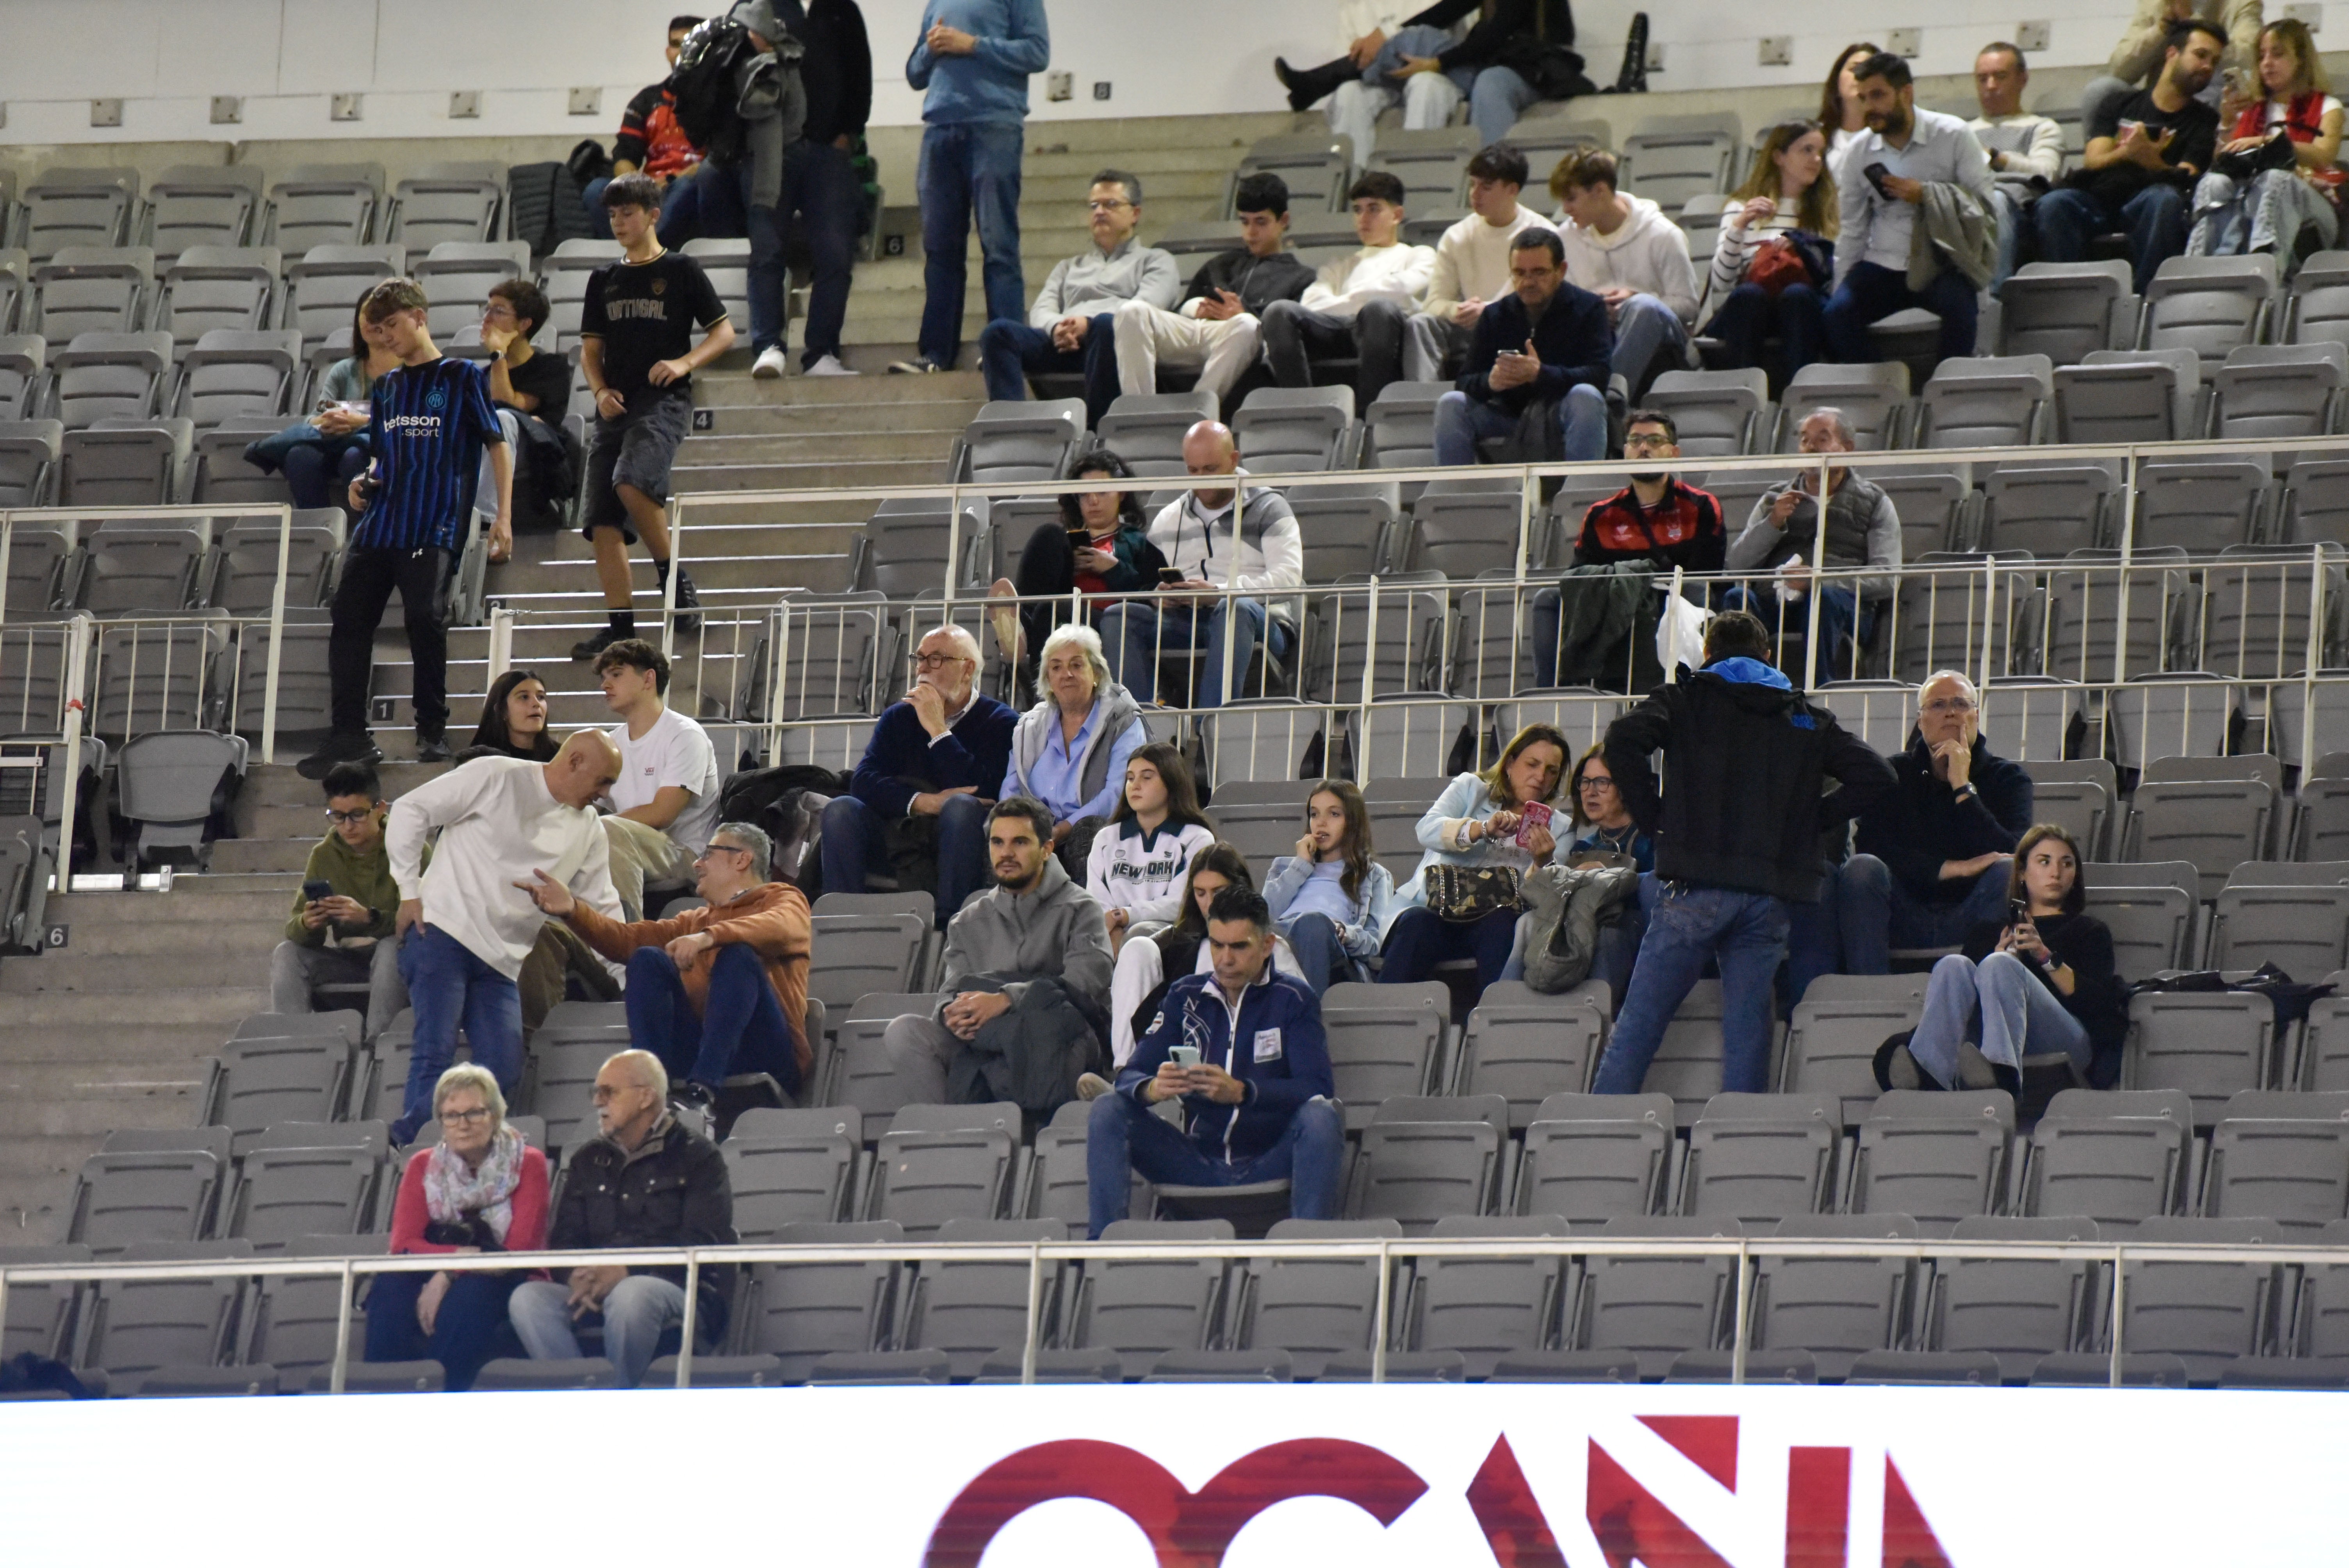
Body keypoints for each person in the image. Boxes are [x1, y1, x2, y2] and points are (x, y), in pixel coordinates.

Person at [1589, 611, 1896, 1095]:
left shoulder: (1684, 698)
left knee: (1640, 1023)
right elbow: (1879, 775)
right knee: (1749, 1032)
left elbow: (1622, 739)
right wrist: (1806, 822)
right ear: (1767, 655)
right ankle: (1741, 1134)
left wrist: (1655, 818)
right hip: (1767, 896)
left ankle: (1598, 1128)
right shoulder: (1804, 715)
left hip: (1693, 887)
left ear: (1707, 652)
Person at [298, 280, 511, 778]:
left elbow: (496, 443)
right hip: (381, 522)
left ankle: (431, 728)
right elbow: (383, 455)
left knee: (423, 618)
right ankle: (349, 732)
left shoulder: (460, 375)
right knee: (349, 618)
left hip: (433, 521)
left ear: (419, 317)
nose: (385, 336)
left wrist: (503, 514)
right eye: (378, 329)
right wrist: (363, 480)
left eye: (392, 324)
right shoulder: (388, 386)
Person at [384, 732, 626, 1145]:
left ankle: (409, 1141)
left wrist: (628, 977)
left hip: (501, 962)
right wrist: (408, 890)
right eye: (603, 781)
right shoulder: (496, 775)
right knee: (435, 1051)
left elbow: (602, 908)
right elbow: (410, 809)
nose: (605, 794)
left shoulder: (589, 828)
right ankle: (416, 1151)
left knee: (504, 1065)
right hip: (440, 933)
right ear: (574, 761)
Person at [1085, 885, 1342, 1238]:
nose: (1225, 959)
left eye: (1239, 947)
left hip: (1270, 1161)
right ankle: (1101, 1251)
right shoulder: (1185, 996)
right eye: (1217, 945)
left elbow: (1317, 1086)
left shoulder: (1294, 999)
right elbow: (1131, 1074)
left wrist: (1242, 1092)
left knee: (1322, 1116)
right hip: (1196, 1164)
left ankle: (1309, 1251)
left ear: (1267, 946)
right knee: (1108, 1109)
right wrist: (1152, 1089)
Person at [521, 821, 811, 1107]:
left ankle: (702, 1092)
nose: (697, 864)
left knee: (738, 956)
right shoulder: (693, 922)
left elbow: (779, 925)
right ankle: (650, 1091)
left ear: (742, 860)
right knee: (647, 958)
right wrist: (573, 910)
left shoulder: (784, 899)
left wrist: (709, 937)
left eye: (708, 854)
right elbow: (625, 940)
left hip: (766, 1054)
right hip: (700, 1050)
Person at [570, 174, 732, 663]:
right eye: (613, 214)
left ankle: (674, 581)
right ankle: (620, 627)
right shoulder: (603, 278)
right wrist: (599, 391)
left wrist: (684, 362)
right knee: (601, 519)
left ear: (653, 215)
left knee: (632, 481)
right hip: (615, 403)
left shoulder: (681, 269)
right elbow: (591, 351)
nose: (619, 222)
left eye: (628, 213)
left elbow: (723, 333)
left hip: (663, 400)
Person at [506, 1049, 735, 1389]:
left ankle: (619, 1397)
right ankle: (583, 1394)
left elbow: (703, 1242)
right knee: (528, 1300)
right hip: (598, 1288)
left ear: (646, 1097)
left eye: (609, 1092)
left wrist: (628, 1270)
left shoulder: (699, 1156)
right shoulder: (587, 1159)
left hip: (678, 1289)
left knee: (632, 1294)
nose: (597, 1102)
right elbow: (565, 1238)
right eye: (596, 1092)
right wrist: (575, 1277)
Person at [1806, 671, 2035, 990]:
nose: (1951, 713)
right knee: (1862, 868)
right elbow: (1872, 845)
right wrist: (1950, 868)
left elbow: (2013, 852)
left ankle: (1986, 991)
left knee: (2007, 870)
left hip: (1974, 915)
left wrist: (1962, 788)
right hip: (1900, 914)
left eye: (1960, 704)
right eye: (1938, 705)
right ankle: (1869, 995)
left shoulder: (2009, 779)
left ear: (1976, 715)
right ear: (1921, 720)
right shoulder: (1893, 774)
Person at [881, 797, 1114, 1105]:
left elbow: (1083, 986)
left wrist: (1006, 1000)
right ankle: (949, 1128)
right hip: (986, 1041)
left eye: (1020, 842)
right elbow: (949, 993)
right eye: (997, 842)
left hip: (1058, 1039)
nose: (1006, 853)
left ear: (1047, 849)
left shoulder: (1083, 908)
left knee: (1052, 1030)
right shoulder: (968, 920)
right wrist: (955, 1015)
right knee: (905, 1032)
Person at [1880, 825, 2127, 1092]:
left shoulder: (2089, 931)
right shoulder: (1987, 933)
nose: (2056, 872)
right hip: (1984, 1039)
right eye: (2044, 862)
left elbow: (2102, 1009)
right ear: (2022, 872)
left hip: (2068, 1038)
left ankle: (2002, 1073)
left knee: (1999, 965)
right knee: (1954, 964)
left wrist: (2045, 957)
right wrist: (1992, 971)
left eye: (2067, 864)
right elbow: (1960, 1005)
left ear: (2076, 875)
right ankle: (1931, 1074)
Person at [365, 1063, 549, 1392]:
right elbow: (404, 1244)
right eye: (451, 1116)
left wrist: (450, 1273)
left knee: (470, 1295)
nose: (463, 1125)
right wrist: (459, 1257)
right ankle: (383, 1395)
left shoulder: (528, 1162)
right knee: (389, 1288)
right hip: (443, 1261)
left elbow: (517, 1251)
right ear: (441, 1122)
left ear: (495, 1115)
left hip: (505, 1272)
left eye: (474, 1113)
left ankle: (440, 1395)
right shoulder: (423, 1164)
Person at [820, 624, 1016, 929]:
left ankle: (950, 929)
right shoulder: (898, 717)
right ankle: (840, 925)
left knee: (961, 808)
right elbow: (864, 781)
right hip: (901, 836)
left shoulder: (1001, 721)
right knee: (840, 809)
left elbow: (985, 790)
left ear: (967, 670)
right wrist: (925, 802)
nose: (922, 668)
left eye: (936, 659)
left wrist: (938, 730)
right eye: (919, 658)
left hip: (962, 840)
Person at [1099, 421, 1304, 708]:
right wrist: (1159, 595)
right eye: (1193, 471)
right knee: (1119, 616)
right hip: (1186, 621)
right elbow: (1149, 581)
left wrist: (1219, 593)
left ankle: (1211, 725)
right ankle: (1138, 725)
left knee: (1234, 609)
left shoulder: (1270, 507)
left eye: (1211, 469)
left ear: (1234, 460)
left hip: (1258, 622)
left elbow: (1289, 579)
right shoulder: (1169, 519)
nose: (1202, 480)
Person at [895, 0, 1051, 377]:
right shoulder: (937, 3)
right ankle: (935, 354)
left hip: (994, 126)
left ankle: (1006, 350)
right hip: (939, 128)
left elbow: (1038, 53)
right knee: (939, 249)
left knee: (999, 244)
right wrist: (931, 49)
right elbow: (915, 73)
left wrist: (974, 45)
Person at [1526, 408, 1724, 688]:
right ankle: (1551, 694)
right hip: (1615, 598)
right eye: (1635, 441)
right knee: (1547, 598)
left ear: (1674, 453)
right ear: (1625, 452)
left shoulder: (1701, 506)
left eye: (1655, 441)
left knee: (1696, 590)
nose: (1643, 448)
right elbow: (1580, 577)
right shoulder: (1601, 515)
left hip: (1672, 598)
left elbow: (1707, 574)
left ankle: (1689, 688)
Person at [1823, 52, 1997, 366]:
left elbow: (1985, 208)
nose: (1869, 107)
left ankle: (1944, 388)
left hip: (1941, 262)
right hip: (1884, 263)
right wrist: (1841, 286)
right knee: (1837, 315)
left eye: (1878, 95)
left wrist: (1927, 195)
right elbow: (1852, 229)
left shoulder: (1953, 134)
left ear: (1906, 93)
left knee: (1962, 309)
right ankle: (1886, 387)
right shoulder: (1859, 151)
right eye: (1863, 98)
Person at [979, 171, 1180, 427]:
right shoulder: (1069, 266)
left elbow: (1144, 308)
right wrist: (1057, 328)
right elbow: (1042, 308)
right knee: (998, 333)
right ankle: (1012, 428)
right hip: (1067, 343)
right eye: (1094, 206)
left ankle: (1097, 432)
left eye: (1111, 204)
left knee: (1106, 325)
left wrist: (1088, 323)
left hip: (1114, 344)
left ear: (1135, 214)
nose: (1100, 212)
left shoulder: (1156, 261)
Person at [2034, 21, 2224, 292]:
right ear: (2172, 53)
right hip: (2100, 197)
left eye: (2214, 62)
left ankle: (2149, 298)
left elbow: (2188, 177)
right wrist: (2128, 152)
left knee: (2165, 201)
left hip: (2149, 201)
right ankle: (2068, 296)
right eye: (2201, 55)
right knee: (2054, 204)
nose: (2207, 67)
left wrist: (2152, 162)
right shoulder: (2118, 103)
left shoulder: (2205, 120)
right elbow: (2093, 160)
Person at [1379, 722, 1568, 989]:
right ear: (1510, 764)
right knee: (1417, 923)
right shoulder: (1471, 788)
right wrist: (1482, 829)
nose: (1540, 777)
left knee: (1503, 922)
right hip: (1435, 910)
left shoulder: (1560, 828)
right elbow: (1427, 829)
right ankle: (1384, 1009)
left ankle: (1494, 1012)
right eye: (1532, 764)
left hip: (1493, 925)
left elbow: (1551, 898)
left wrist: (1542, 862)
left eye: (1552, 771)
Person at [1723, 407, 1902, 678]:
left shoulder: (1874, 501)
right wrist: (1773, 523)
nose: (1810, 447)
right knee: (1737, 599)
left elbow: (1887, 577)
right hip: (1777, 602)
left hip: (1843, 607)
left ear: (1847, 448)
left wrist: (1818, 581)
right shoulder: (1775, 499)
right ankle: (1740, 687)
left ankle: (1819, 690)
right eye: (1805, 440)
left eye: (1822, 439)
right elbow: (1737, 565)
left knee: (1823, 598)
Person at [1112, 173, 1313, 412]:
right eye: (1245, 222)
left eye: (1261, 222)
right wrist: (1196, 308)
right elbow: (1183, 309)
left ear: (1284, 221)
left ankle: (1196, 413)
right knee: (1131, 311)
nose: (1251, 232)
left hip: (1241, 339)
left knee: (1247, 325)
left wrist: (1243, 313)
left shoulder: (1300, 278)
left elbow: (1287, 339)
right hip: (1199, 331)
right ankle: (1140, 414)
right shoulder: (1221, 264)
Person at [1099, 844, 1308, 1067]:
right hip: (1178, 1056)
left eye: (1218, 892)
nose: (1209, 904)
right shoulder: (1176, 946)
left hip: (1250, 1055)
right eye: (1201, 894)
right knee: (1137, 946)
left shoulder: (1270, 947)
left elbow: (1302, 1010)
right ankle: (1126, 1070)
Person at [985, 449, 1166, 693]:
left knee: (1054, 610)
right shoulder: (1062, 543)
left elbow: (1153, 598)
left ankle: (1037, 679)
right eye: (1084, 494)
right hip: (1057, 613)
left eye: (1102, 492)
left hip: (1107, 623)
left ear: (1121, 493)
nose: (1093, 501)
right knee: (1048, 535)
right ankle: (1021, 628)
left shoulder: (1139, 544)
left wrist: (1114, 569)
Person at [1431, 228, 1611, 467]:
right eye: (1519, 273)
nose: (1528, 282)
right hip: (1507, 414)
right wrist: (1491, 382)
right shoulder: (1495, 315)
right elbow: (1465, 381)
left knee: (1586, 396)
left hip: (1564, 410)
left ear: (1561, 271)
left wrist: (1540, 374)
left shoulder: (1589, 308)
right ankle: (1454, 489)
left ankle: (1582, 487)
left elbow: (1599, 376)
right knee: (1452, 403)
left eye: (1539, 272)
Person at [1259, 169, 1434, 408]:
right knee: (1278, 311)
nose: (1363, 218)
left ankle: (1369, 413)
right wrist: (1363, 299)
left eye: (1373, 209)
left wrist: (1346, 301)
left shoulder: (1419, 255)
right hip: (1337, 329)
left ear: (1397, 215)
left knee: (1379, 310)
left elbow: (1402, 291)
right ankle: (1301, 407)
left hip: (1384, 330)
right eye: (1358, 210)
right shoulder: (1340, 265)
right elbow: (1312, 303)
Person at [269, 760, 408, 1041]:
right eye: (338, 816)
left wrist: (369, 918)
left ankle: (379, 1046)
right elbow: (295, 928)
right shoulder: (324, 855)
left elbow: (423, 922)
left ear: (380, 809)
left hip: (398, 961)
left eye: (357, 815)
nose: (348, 826)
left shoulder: (409, 848)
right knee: (287, 953)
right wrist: (309, 923)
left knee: (391, 949)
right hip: (347, 960)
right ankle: (294, 1046)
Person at [2188, 18, 2342, 268]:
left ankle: (2263, 267)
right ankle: (2199, 268)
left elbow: (2324, 155)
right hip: (2248, 201)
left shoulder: (2328, 107)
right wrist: (2227, 122)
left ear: (2301, 59)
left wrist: (2271, 142)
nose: (2267, 63)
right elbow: (2221, 163)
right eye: (2262, 56)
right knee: (2214, 183)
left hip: (2314, 208)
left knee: (2275, 179)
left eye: (2277, 54)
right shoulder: (2250, 109)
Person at [1550, 148, 1699, 398]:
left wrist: (1634, 300)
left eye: (1571, 199)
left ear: (1600, 191)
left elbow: (1688, 306)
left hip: (1663, 342)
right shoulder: (1565, 239)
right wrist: (1595, 309)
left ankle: (1607, 397)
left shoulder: (1663, 234)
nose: (1565, 209)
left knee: (1644, 307)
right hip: (1597, 336)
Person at [1004, 624, 1150, 879]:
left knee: (1088, 831)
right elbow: (1012, 789)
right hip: (1038, 833)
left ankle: (1089, 906)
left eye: (1077, 665)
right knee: (1002, 836)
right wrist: (1021, 828)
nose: (1067, 674)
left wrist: (1064, 828)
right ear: (1048, 679)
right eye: (1056, 667)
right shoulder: (1029, 727)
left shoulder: (1122, 721)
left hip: (1097, 830)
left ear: (1097, 673)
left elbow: (1118, 793)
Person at [1408, 143, 1559, 380]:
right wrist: (1457, 310)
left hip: (1522, 325)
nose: (1475, 194)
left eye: (1486, 187)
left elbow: (1546, 300)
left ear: (1512, 190)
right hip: (1470, 328)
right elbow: (1433, 303)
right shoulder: (1457, 236)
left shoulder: (1542, 234)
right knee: (1420, 323)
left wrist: (1490, 311)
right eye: (1473, 184)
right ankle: (1422, 396)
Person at [1699, 119, 1837, 378]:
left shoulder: (1826, 212)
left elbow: (1834, 278)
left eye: (1821, 152)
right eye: (1807, 150)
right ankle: (1743, 387)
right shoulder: (1741, 206)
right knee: (1748, 294)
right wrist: (1739, 226)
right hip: (1752, 308)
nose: (1816, 160)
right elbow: (1722, 282)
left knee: (1798, 295)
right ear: (1779, 157)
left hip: (1802, 308)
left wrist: (1804, 248)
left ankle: (1800, 388)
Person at [593, 638, 719, 921]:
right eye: (604, 678)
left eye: (616, 675)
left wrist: (591, 826)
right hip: (631, 843)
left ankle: (626, 935)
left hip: (688, 856)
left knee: (609, 830)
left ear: (649, 679)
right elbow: (585, 802)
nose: (605, 685)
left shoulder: (685, 735)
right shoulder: (611, 742)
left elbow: (662, 814)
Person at [243, 292, 395, 510]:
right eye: (367, 315)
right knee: (300, 455)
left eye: (379, 315)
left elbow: (411, 421)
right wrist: (328, 421)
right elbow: (314, 418)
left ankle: (370, 525)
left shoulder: (411, 371)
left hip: (382, 449)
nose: (372, 322)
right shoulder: (344, 370)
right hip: (336, 442)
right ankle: (318, 526)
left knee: (354, 456)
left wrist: (361, 422)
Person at [1364, 0, 1576, 148]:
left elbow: (1497, 33)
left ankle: (1492, 179)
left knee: (1491, 83)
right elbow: (1444, 12)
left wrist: (1438, 63)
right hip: (1501, 63)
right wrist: (1389, 33)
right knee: (1418, 40)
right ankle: (1369, 66)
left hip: (1540, 71)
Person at [1264, 778, 1398, 996]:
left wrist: (1348, 934)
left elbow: (1374, 944)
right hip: (1282, 940)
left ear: (1353, 822)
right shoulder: (1284, 867)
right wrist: (1301, 865)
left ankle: (1305, 1013)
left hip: (1333, 948)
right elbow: (1262, 916)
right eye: (1314, 814)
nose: (1321, 823)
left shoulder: (1375, 875)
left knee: (1313, 923)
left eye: (1334, 814)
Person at [1085, 743, 1216, 953]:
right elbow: (1096, 901)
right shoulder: (1106, 838)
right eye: (1130, 778)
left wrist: (1125, 916)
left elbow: (1181, 904)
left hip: (1171, 935)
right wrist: (1113, 926)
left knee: (1139, 936)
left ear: (1172, 783)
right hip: (1110, 930)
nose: (1135, 786)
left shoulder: (1197, 838)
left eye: (1146, 777)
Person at [584, 15, 706, 241]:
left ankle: (645, 247)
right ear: (668, 52)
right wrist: (639, 188)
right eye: (676, 44)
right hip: (650, 192)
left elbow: (716, 162)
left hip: (690, 189)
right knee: (597, 190)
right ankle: (638, 246)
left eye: (690, 44)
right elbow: (624, 156)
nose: (681, 52)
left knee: (687, 187)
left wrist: (669, 181)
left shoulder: (721, 100)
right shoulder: (647, 100)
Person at [1968, 43, 2066, 293]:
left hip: (2018, 210)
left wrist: (1998, 159)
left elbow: (2047, 173)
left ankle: (1994, 297)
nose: (1991, 86)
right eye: (1983, 79)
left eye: (2000, 77)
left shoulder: (2042, 128)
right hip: (1967, 205)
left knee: (1996, 200)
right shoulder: (1962, 132)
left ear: (2022, 79)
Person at [1561, 742, 1652, 1003]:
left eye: (1603, 783)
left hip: (1634, 931)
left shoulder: (1652, 838)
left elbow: (1658, 892)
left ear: (1625, 787)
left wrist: (1607, 876)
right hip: (1585, 929)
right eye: (1585, 782)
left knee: (1610, 935)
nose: (1591, 792)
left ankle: (1594, 1014)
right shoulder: (1583, 849)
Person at [480, 279, 575, 529]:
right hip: (486, 453)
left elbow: (505, 406)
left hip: (538, 458)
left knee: (503, 420)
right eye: (487, 310)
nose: (487, 318)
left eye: (498, 311)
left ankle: (486, 520)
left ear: (524, 324)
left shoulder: (550, 367)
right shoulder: (481, 376)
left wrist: (498, 355)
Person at [1274, 2, 1420, 165]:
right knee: (1348, 92)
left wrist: (1386, 34)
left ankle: (1310, 86)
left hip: (1426, 73)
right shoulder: (1352, 7)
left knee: (1425, 85)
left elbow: (1434, 27)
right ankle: (1355, 177)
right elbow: (1346, 58)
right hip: (1380, 81)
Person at [455, 669, 558, 764]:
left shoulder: (561, 758)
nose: (536, 704)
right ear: (502, 710)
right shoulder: (479, 761)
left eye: (541, 697)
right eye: (524, 697)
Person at [1821, 43, 1882, 172]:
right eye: (1855, 69)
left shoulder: (1893, 140)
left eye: (1870, 72)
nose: (1861, 76)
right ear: (1837, 81)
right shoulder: (1816, 139)